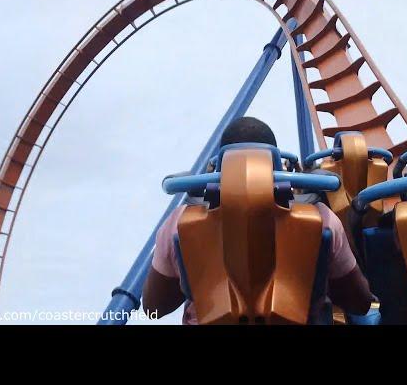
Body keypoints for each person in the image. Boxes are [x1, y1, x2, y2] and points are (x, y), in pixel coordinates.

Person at [142, 116, 374, 324]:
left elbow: (154, 307)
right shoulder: (322, 218)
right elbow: (359, 303)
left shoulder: (179, 222)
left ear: (218, 166)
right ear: (275, 163)